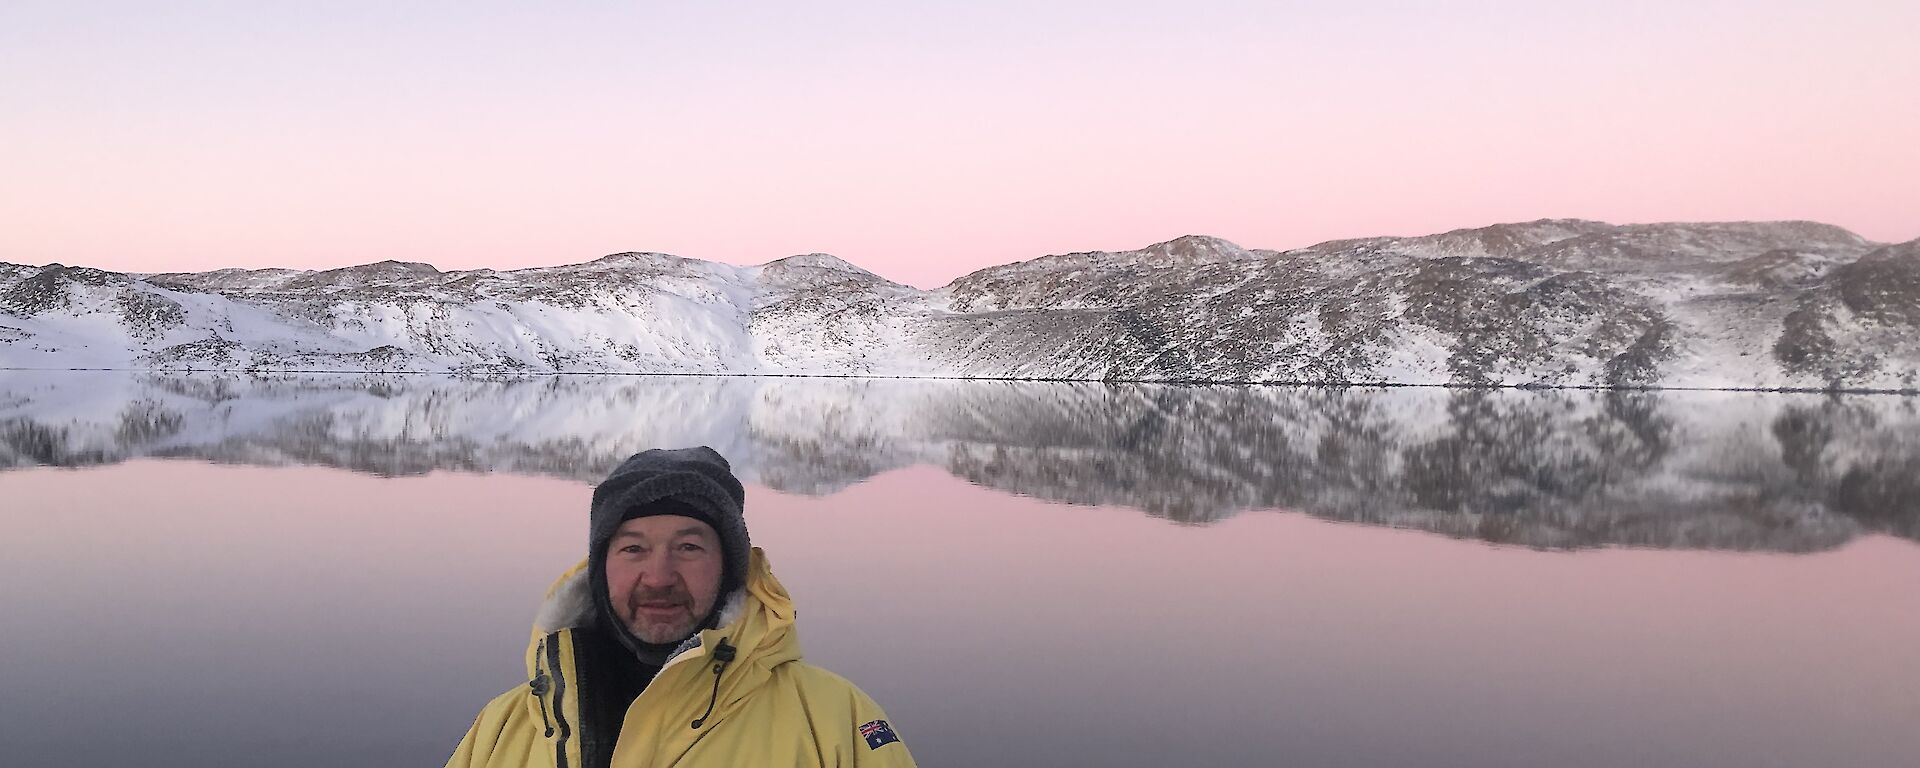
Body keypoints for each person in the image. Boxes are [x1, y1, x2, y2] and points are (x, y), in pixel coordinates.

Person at [448, 446, 916, 768]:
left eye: (689, 548)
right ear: (599, 569)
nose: (659, 576)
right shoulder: (504, 727)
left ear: (730, 568)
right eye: (632, 549)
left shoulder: (835, 720)